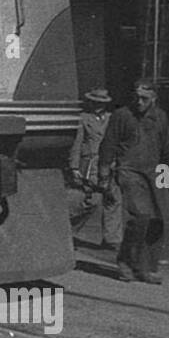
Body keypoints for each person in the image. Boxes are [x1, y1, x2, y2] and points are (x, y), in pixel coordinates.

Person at [98, 78, 169, 284]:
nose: (139, 102)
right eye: (136, 97)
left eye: (144, 98)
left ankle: (145, 267)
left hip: (158, 171)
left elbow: (168, 146)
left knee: (160, 217)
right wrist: (103, 174)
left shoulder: (160, 117)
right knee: (140, 216)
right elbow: (108, 145)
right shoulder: (122, 116)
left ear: (153, 99)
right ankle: (125, 262)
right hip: (129, 171)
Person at [67, 87, 123, 250]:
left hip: (110, 163)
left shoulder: (112, 119)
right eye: (96, 102)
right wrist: (74, 166)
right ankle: (69, 230)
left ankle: (112, 239)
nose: (98, 105)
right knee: (92, 200)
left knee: (113, 198)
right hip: (91, 163)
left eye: (102, 103)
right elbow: (77, 144)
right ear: (91, 102)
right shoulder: (83, 119)